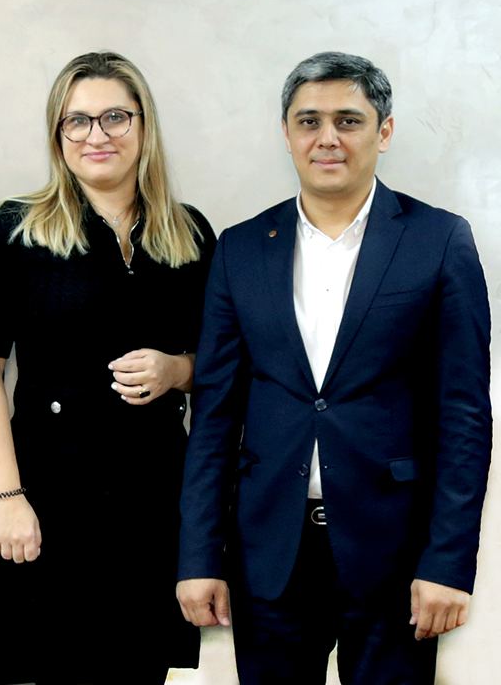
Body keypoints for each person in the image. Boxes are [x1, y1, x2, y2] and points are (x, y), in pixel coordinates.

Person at [177, 52, 492, 685]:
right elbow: (215, 414)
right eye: (309, 121)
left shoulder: (438, 240)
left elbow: (464, 415)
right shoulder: (241, 248)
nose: (327, 138)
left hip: (394, 554)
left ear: (384, 130)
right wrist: (198, 556)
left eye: (348, 120)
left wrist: (449, 563)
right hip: (269, 551)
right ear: (286, 133)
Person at [0, 51, 215, 685]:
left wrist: (177, 370)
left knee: (139, 670)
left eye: (115, 117)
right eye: (77, 120)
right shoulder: (16, 229)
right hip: (49, 493)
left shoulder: (189, 233)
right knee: (50, 667)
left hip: (153, 495)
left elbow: (222, 363)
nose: (97, 135)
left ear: (144, 126)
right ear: (58, 134)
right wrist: (7, 496)